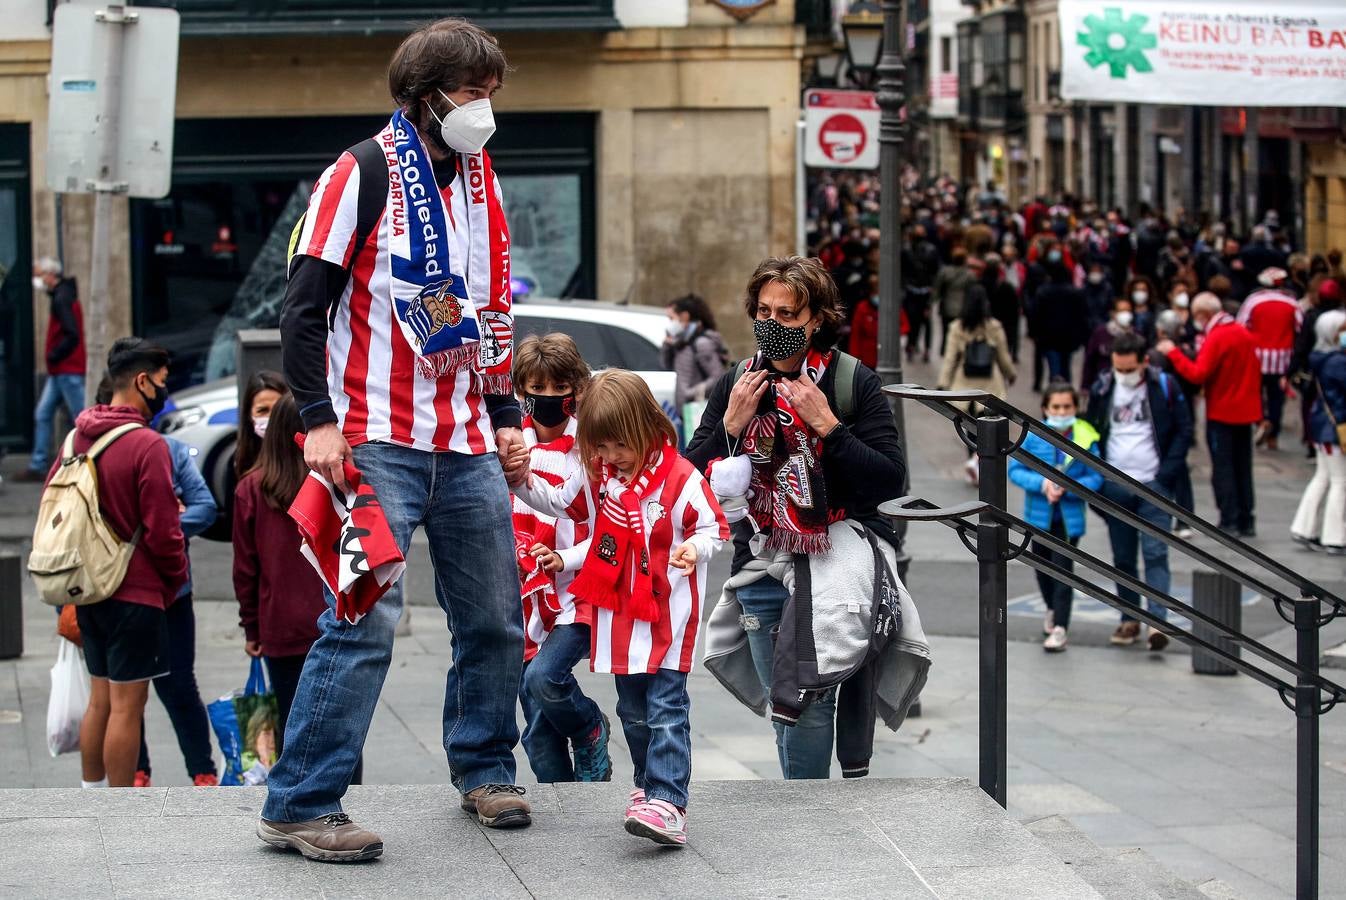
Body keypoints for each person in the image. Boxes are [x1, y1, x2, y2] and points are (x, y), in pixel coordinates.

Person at [261, 19, 529, 861]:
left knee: (494, 617)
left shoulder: (480, 183)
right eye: (470, 93)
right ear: (423, 97)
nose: (483, 108)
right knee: (362, 621)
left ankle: (485, 767)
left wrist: (510, 416)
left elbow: (491, 313)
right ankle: (301, 801)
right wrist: (317, 422)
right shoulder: (359, 172)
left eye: (491, 92)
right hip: (373, 437)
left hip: (465, 438)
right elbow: (303, 311)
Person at [686, 255, 906, 779]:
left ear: (816, 321)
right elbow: (689, 479)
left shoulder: (852, 383)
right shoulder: (738, 383)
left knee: (814, 701)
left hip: (838, 565)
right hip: (762, 565)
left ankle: (817, 815)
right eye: (764, 312)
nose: (774, 325)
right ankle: (807, 815)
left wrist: (829, 427)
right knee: (793, 708)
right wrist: (731, 427)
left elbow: (889, 480)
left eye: (789, 315)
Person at [513, 370, 727, 846]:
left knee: (667, 707)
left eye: (617, 447)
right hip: (621, 619)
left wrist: (695, 549)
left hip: (667, 615)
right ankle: (645, 786)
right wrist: (520, 479)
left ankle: (670, 800)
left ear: (644, 427)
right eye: (601, 448)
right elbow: (565, 510)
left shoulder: (679, 478)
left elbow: (713, 528)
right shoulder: (603, 475)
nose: (608, 458)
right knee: (632, 711)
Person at [58, 338, 187, 788]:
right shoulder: (146, 444)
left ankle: (91, 793)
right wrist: (173, 581)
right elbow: (163, 533)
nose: (164, 392)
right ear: (142, 381)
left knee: (100, 699)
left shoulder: (76, 437)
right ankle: (118, 809)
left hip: (89, 588)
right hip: (136, 592)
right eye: (163, 382)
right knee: (128, 706)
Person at [232, 393, 361, 781]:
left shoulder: (251, 489)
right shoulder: (337, 485)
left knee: (292, 719)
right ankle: (347, 794)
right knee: (343, 724)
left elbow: (245, 570)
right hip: (335, 616)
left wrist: (251, 628)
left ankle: (295, 795)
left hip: (279, 625)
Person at [509, 334, 611, 784]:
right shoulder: (509, 448)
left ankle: (589, 726)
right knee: (536, 738)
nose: (548, 399)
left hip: (579, 592)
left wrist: (564, 558)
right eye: (537, 389)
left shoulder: (593, 447)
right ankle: (568, 811)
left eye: (559, 389)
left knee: (544, 680)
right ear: (520, 391)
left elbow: (614, 528)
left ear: (578, 390)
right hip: (523, 598)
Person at [1085, 332, 1193, 650]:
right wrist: (1100, 477)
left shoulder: (1164, 387)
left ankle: (1156, 622)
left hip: (1153, 484)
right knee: (1123, 556)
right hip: (1116, 484)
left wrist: (1166, 474)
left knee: (1156, 553)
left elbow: (1184, 429)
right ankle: (1129, 618)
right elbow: (1092, 429)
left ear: (1144, 362)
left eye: (1130, 369)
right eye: (1119, 369)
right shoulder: (1103, 388)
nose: (1124, 375)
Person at [134, 419, 220, 788]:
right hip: (119, 591)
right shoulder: (92, 448)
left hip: (174, 591)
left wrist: (162, 523)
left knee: (179, 684)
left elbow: (205, 507)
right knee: (125, 689)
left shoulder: (169, 449)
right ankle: (136, 771)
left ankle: (203, 771)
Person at [1009, 383, 1104, 653]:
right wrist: (1042, 484)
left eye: (1067, 407)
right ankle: (1051, 607)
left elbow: (1096, 475)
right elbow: (1015, 470)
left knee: (1063, 570)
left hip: (1068, 515)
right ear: (1046, 409)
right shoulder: (1034, 436)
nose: (1062, 412)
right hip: (1039, 515)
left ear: (1075, 408)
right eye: (1056, 407)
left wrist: (1069, 488)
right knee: (1041, 566)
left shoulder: (1086, 436)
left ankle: (1061, 626)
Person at [1158, 294, 1262, 537]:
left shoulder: (1218, 336)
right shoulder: (1242, 332)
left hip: (1222, 410)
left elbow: (1197, 373)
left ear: (1201, 315)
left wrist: (1174, 353)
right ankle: (1247, 518)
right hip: (1245, 410)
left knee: (1223, 467)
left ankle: (1229, 519)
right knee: (1243, 466)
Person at [937, 283, 1017, 485]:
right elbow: (1003, 357)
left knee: (969, 428)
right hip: (989, 385)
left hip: (965, 387)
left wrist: (942, 383)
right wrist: (1011, 374)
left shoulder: (957, 327)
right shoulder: (994, 326)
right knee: (989, 428)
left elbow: (950, 358)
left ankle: (973, 462)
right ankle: (980, 464)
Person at [19, 257, 86, 482]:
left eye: (38, 274)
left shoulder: (61, 299)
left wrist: (54, 354)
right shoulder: (62, 295)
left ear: (49, 275)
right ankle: (38, 464)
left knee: (82, 418)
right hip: (61, 371)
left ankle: (93, 460)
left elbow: (71, 333)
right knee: (43, 414)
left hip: (67, 369)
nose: (37, 280)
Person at [1290, 310, 1346, 554]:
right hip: (1335, 430)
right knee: (1339, 481)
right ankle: (1334, 537)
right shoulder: (1338, 362)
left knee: (1324, 477)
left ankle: (1304, 528)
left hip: (1323, 427)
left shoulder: (1322, 358)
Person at [1238, 267, 1303, 451]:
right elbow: (1300, 328)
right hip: (1282, 359)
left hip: (1257, 357)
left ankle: (1260, 422)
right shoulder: (1292, 302)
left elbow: (1241, 326)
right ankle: (1273, 433)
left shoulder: (1253, 301)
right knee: (1276, 397)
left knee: (1255, 394)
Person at [661, 293, 728, 412]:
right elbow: (667, 366)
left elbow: (717, 377)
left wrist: (690, 393)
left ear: (685, 316)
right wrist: (667, 345)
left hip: (698, 411)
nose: (670, 323)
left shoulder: (701, 343)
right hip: (684, 412)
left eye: (671, 318)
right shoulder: (681, 342)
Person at [1029, 253, 1089, 383]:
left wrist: (1034, 333)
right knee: (1066, 365)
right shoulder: (1075, 293)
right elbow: (1081, 315)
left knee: (1054, 366)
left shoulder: (1043, 292)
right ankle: (1066, 388)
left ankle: (1056, 389)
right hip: (1068, 337)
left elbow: (1035, 313)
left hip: (1049, 336)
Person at [1080, 296, 1135, 392]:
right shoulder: (1101, 333)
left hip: (1128, 385)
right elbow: (1090, 360)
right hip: (1102, 385)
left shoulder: (1136, 335)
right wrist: (1085, 385)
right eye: (1121, 311)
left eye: (1128, 311)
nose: (1125, 314)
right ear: (1113, 313)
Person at [933, 246, 975, 355]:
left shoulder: (945, 272)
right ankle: (958, 350)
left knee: (946, 331)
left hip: (946, 308)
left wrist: (932, 302)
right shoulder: (969, 275)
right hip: (962, 308)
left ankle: (946, 350)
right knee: (960, 332)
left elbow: (937, 289)